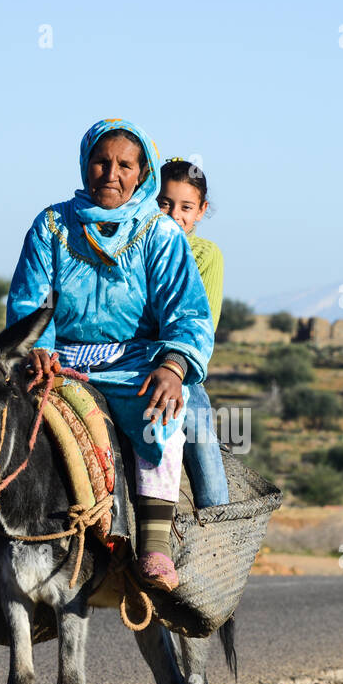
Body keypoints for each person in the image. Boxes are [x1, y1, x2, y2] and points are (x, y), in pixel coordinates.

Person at [0, 118, 212, 597]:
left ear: (143, 171)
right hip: (56, 362)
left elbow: (188, 313)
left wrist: (173, 367)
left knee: (161, 421)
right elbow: (29, 302)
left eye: (124, 165)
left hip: (138, 366)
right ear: (85, 164)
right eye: (100, 162)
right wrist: (38, 349)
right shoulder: (50, 225)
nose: (110, 173)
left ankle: (153, 546)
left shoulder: (161, 235)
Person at [157, 158, 229, 508]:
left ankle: (216, 521)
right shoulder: (139, 247)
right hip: (128, 358)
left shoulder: (206, 256)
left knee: (199, 431)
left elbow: (203, 324)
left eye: (186, 207)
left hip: (181, 365)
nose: (174, 214)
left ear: (201, 211)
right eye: (165, 203)